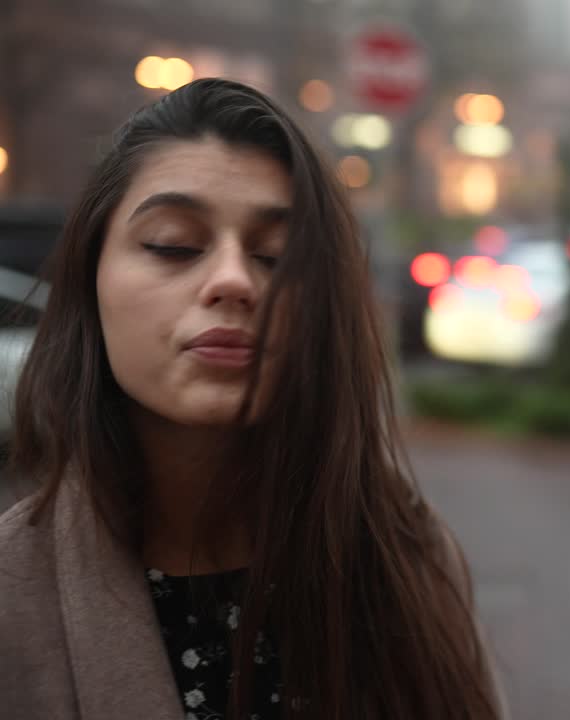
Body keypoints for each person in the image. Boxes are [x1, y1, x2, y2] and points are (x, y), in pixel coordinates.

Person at [0, 79, 504, 718]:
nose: (234, 280)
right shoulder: (14, 596)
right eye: (173, 244)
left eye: (277, 255)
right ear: (90, 277)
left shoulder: (410, 553)